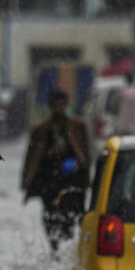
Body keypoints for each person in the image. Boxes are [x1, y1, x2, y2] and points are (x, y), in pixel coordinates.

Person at [21, 88, 91, 252]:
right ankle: (55, 249)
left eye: (61, 105)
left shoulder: (77, 127)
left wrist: (81, 170)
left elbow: (86, 155)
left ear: (66, 105)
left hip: (71, 180)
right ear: (51, 106)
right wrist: (26, 181)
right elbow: (31, 157)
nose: (58, 108)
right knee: (50, 217)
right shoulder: (41, 130)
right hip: (49, 181)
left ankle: (69, 249)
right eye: (55, 105)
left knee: (72, 218)